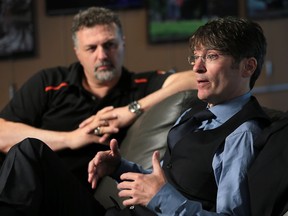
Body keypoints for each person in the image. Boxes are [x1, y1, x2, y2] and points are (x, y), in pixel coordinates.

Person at [0, 16, 270, 216]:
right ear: (77, 53)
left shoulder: (241, 134)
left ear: (248, 67)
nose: (197, 67)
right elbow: (166, 179)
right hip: (115, 211)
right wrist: (120, 167)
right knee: (29, 151)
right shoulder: (195, 115)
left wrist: (161, 196)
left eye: (210, 57)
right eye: (195, 57)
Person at [0, 7, 195, 191]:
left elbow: (195, 78)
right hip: (31, 187)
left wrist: (131, 110)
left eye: (109, 45)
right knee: (27, 151)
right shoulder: (49, 82)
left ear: (122, 44)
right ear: (77, 52)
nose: (102, 55)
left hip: (77, 199)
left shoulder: (141, 85)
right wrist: (71, 138)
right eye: (91, 48)